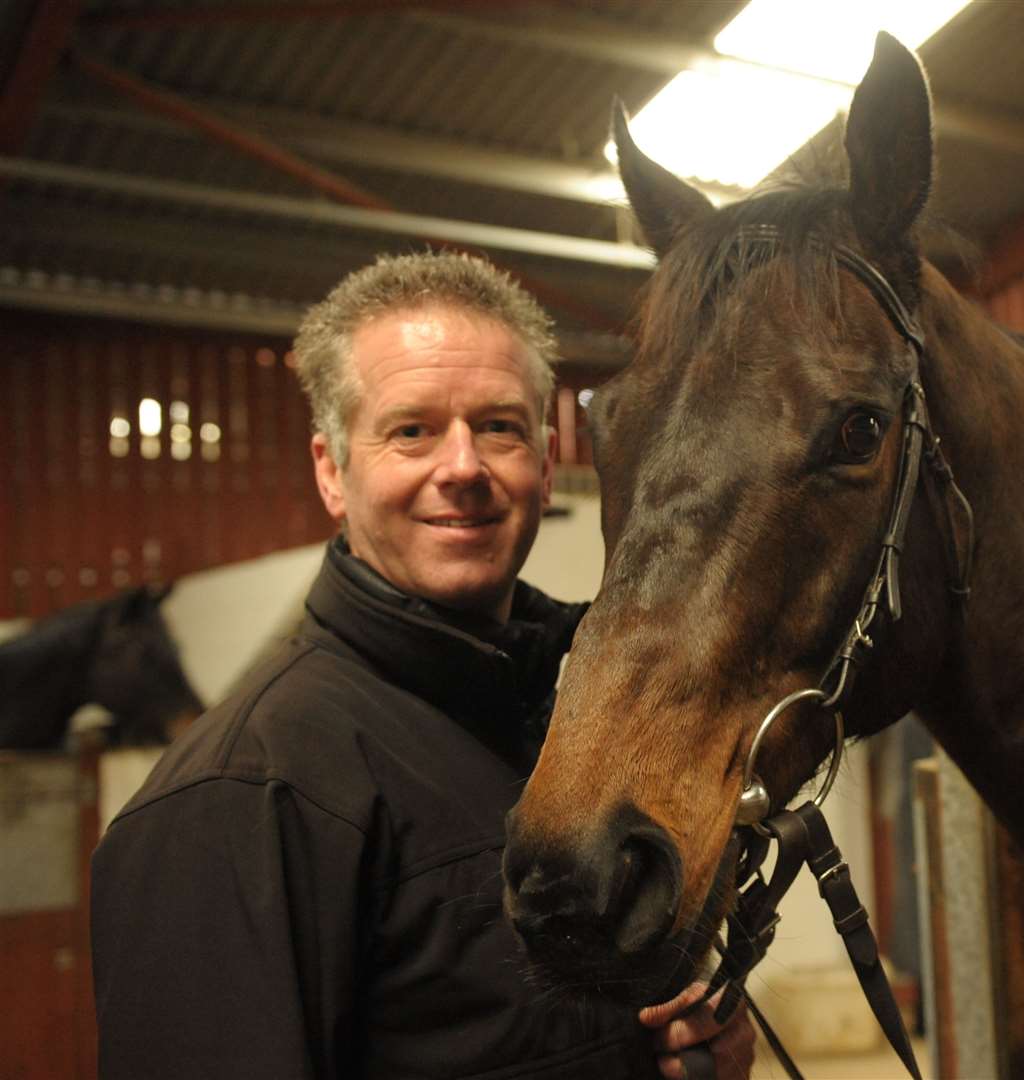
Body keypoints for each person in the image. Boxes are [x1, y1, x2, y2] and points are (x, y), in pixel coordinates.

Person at [91, 251, 755, 1079]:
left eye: (499, 427)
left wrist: (670, 1054)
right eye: (412, 430)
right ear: (332, 472)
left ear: (547, 466)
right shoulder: (243, 796)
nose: (465, 467)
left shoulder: (561, 725)